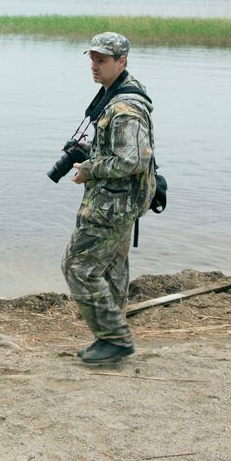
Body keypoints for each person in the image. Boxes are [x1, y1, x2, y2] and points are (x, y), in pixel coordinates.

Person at [62, 32, 156, 364]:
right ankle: (112, 340)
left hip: (112, 203)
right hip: (122, 201)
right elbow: (126, 151)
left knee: (78, 267)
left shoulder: (125, 105)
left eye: (102, 60)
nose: (94, 66)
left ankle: (114, 338)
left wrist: (90, 166)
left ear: (122, 62)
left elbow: (133, 160)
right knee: (113, 269)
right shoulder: (118, 93)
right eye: (92, 59)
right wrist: (95, 151)